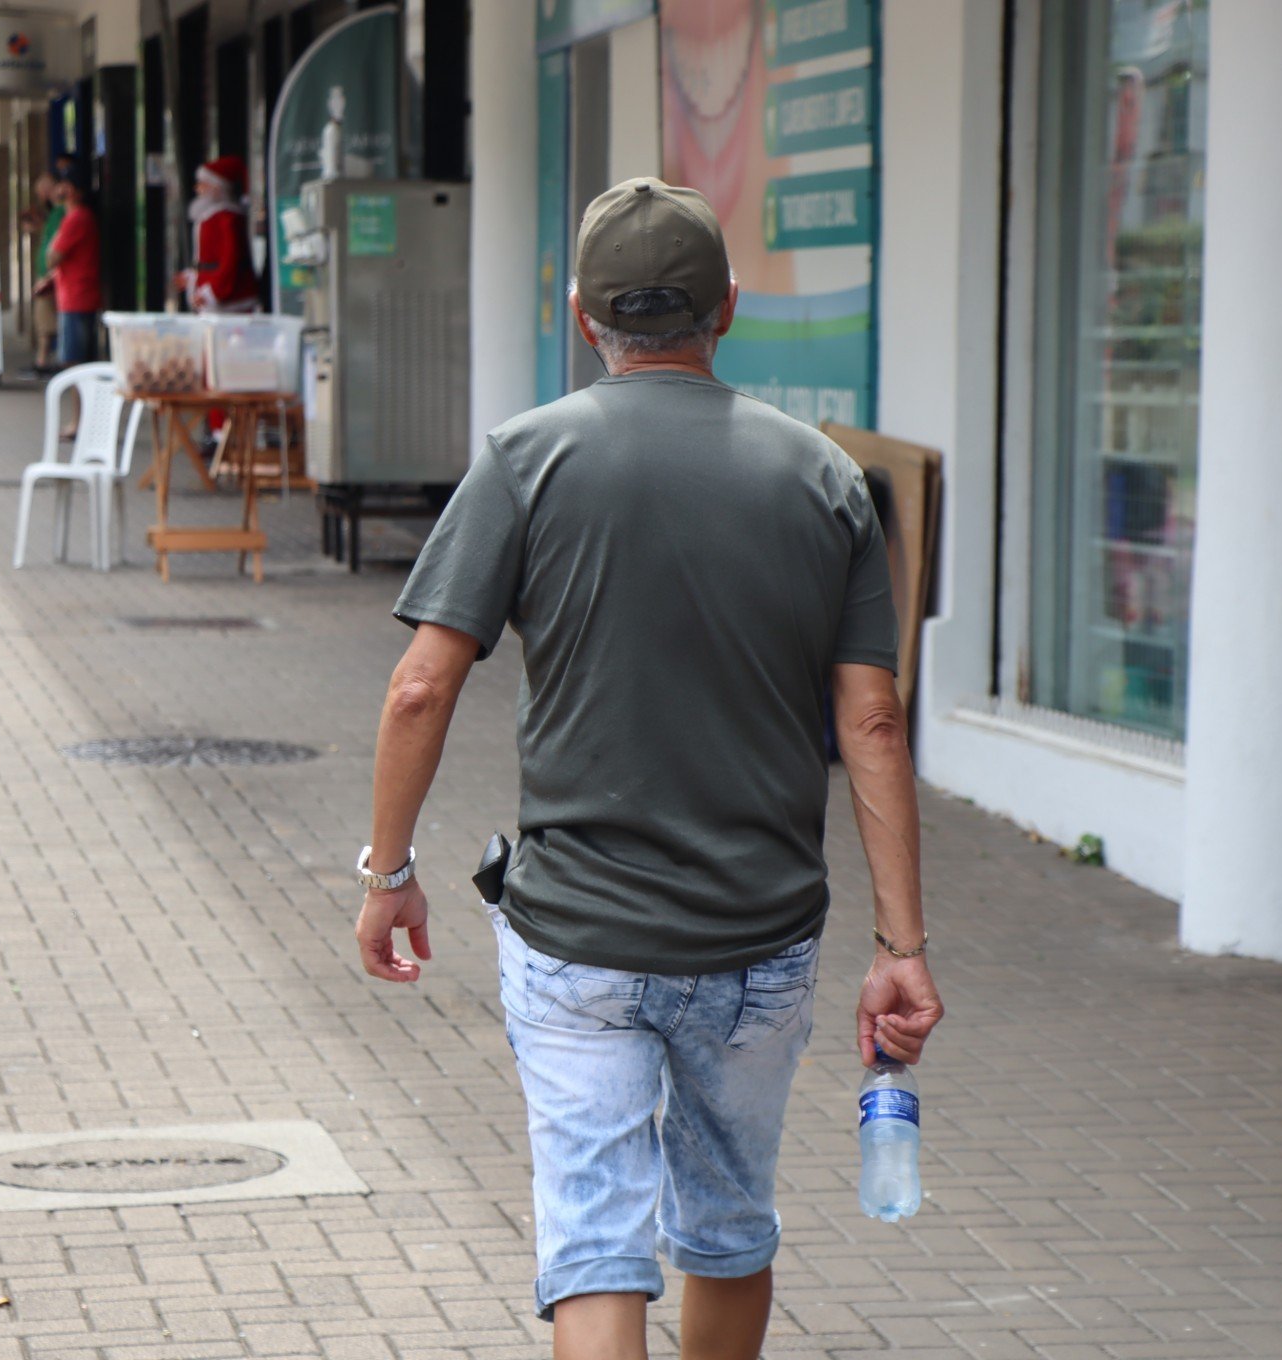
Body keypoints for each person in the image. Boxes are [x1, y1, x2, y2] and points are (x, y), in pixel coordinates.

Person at [355, 177, 944, 1357]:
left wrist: (389, 870)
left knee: (595, 1245)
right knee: (728, 1227)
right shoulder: (824, 479)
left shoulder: (526, 459)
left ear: (585, 318)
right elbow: (873, 723)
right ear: (726, 309)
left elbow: (422, 683)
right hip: (758, 936)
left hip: (578, 935)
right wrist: (902, 946)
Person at [177, 155, 258, 314]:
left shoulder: (227, 218)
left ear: (215, 187)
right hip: (212, 293)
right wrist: (194, 276)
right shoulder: (211, 217)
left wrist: (214, 291)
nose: (198, 189)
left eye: (202, 184)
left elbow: (230, 259)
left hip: (230, 299)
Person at [41, 179, 100, 367]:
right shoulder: (73, 218)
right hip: (74, 294)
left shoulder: (76, 219)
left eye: (66, 186)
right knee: (77, 360)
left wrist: (55, 240)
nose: (58, 190)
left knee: (74, 362)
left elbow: (52, 257)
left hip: (76, 297)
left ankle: (81, 398)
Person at [18, 173, 63, 372]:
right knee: (45, 318)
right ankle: (44, 359)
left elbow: (58, 246)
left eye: (40, 192)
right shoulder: (54, 214)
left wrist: (48, 275)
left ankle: (43, 361)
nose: (40, 197)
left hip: (51, 275)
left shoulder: (61, 213)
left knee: (45, 320)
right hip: (50, 274)